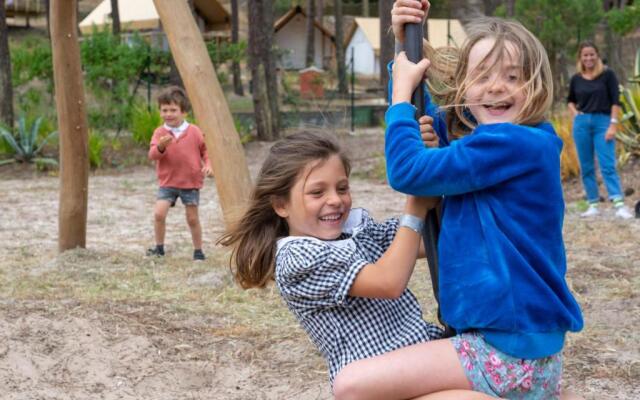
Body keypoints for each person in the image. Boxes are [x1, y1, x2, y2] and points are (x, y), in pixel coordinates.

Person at [330, 2, 585, 400]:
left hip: (504, 352)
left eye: (512, 76)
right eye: (482, 76)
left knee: (352, 386)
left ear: (536, 85)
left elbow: (407, 171)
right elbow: (437, 136)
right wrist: (404, 47)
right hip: (515, 348)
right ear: (464, 86)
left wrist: (400, 97)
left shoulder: (515, 143)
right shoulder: (503, 147)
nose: (496, 86)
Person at [219, 131, 495, 400]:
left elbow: (431, 240)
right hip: (379, 384)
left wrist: (427, 165)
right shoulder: (297, 258)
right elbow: (388, 282)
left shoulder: (356, 232)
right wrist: (415, 207)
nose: (336, 200)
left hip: (418, 360)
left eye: (342, 188)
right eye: (317, 192)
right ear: (281, 205)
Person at [568, 42, 633, 219]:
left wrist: (613, 124)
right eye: (585, 55)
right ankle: (593, 204)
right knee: (586, 166)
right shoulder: (576, 78)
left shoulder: (607, 75)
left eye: (591, 54)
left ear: (597, 55)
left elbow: (615, 101)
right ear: (580, 58)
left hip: (603, 122)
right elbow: (570, 100)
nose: (588, 58)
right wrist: (576, 115)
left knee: (607, 165)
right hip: (582, 124)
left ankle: (619, 204)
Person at [146, 86, 212, 260]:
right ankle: (159, 248)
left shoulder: (194, 132)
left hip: (190, 182)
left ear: (184, 112)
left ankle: (198, 251)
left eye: (173, 110)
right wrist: (161, 146)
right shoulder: (160, 133)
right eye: (164, 110)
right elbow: (152, 155)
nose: (168, 114)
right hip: (167, 182)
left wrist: (208, 165)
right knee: (159, 214)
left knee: (192, 218)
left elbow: (206, 151)